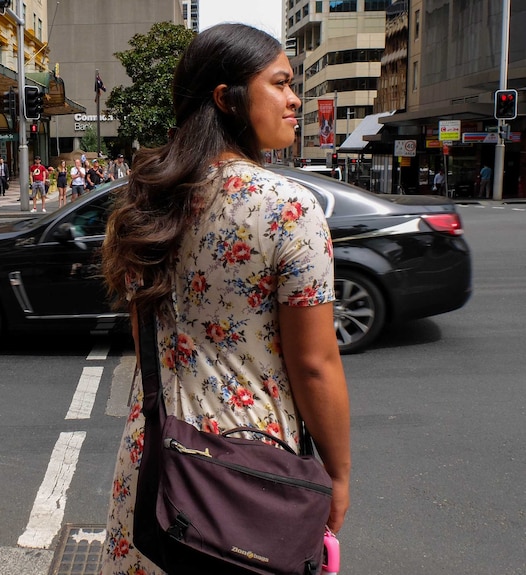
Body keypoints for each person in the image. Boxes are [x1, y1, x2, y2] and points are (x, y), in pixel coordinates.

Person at [99, 23, 351, 574]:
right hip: (250, 471)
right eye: (280, 84)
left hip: (157, 465)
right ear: (227, 98)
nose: (294, 100)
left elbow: (146, 345)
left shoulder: (148, 201)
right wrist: (339, 474)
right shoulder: (289, 206)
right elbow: (314, 365)